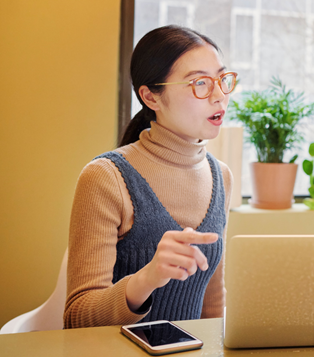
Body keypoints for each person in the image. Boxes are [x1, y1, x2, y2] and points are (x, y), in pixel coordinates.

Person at [64, 25, 236, 328]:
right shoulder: (106, 178)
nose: (220, 95)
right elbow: (78, 318)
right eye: (200, 83)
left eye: (222, 79)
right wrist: (147, 278)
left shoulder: (221, 176)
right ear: (151, 97)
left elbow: (212, 304)